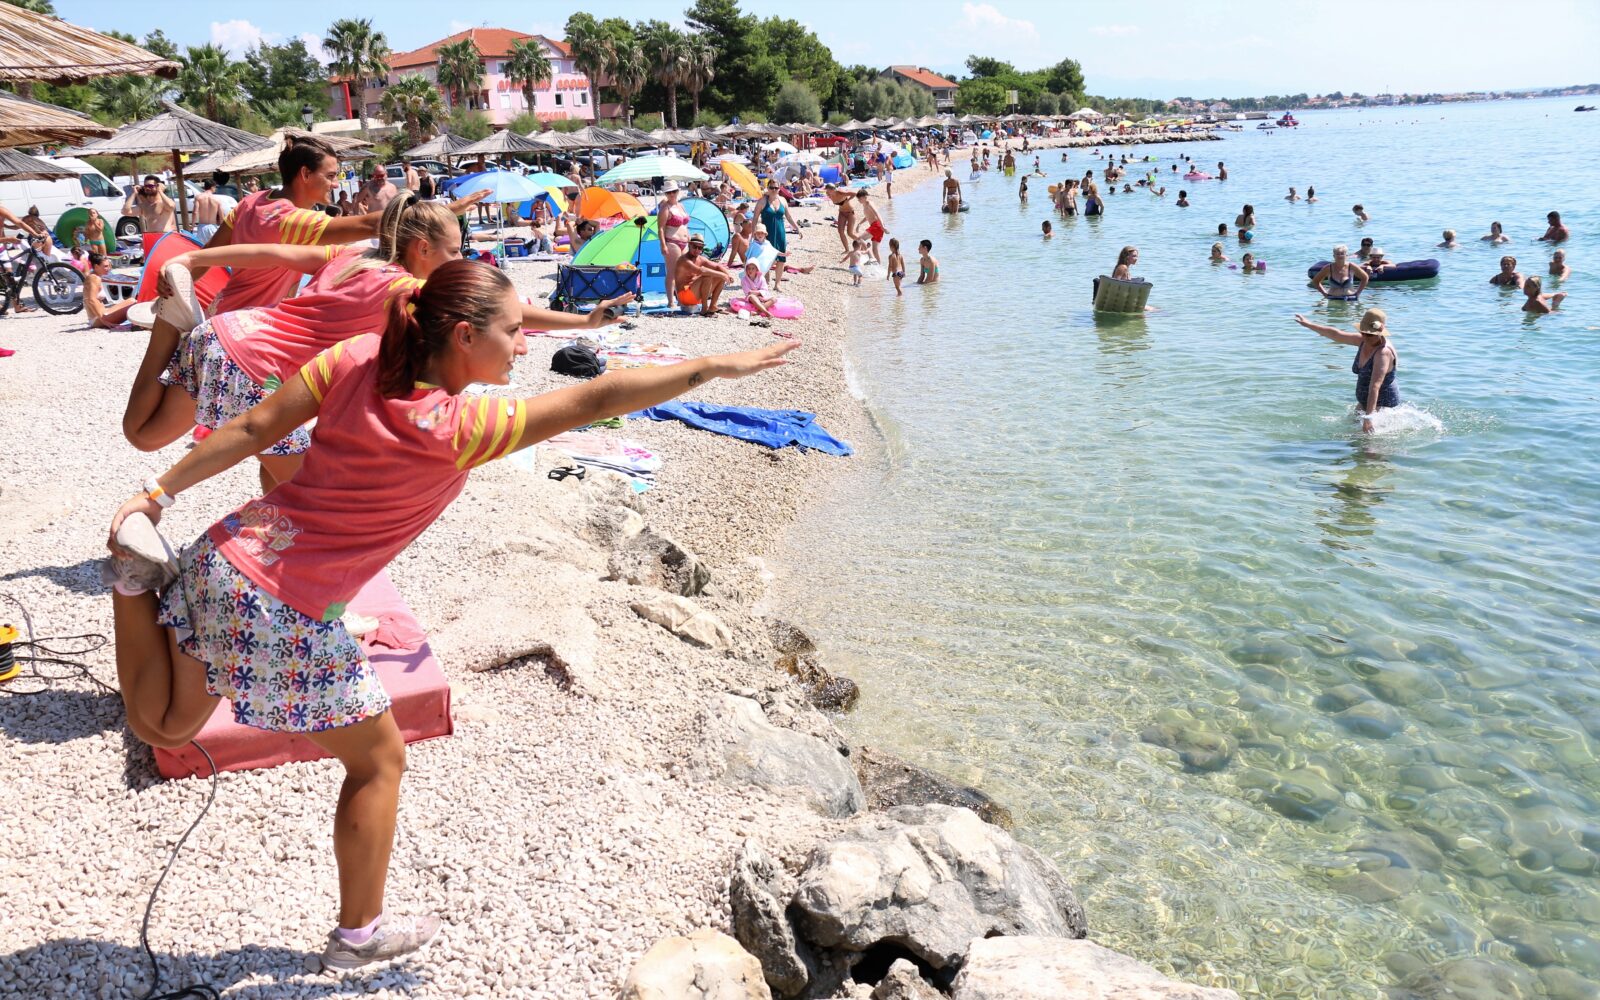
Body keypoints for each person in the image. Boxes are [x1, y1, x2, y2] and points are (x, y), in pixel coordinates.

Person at [99, 259, 794, 977]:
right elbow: (600, 397)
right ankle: (358, 934)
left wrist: (157, 493)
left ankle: (131, 578)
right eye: (515, 331)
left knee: (165, 725)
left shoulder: (355, 357)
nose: (525, 346)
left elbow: (253, 424)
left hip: (227, 552)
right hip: (286, 609)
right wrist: (710, 365)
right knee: (379, 760)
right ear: (463, 336)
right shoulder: (463, 425)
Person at [125, 196, 629, 491]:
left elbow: (273, 252)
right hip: (258, 370)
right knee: (307, 497)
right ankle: (307, 597)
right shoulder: (412, 291)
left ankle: (172, 323)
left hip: (223, 335)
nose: (460, 260)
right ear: (423, 249)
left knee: (143, 436)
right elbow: (508, 316)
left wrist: (193, 260)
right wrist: (583, 323)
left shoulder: (352, 258)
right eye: (454, 251)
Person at [1293, 309, 1399, 433]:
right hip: (1365, 402)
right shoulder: (1363, 340)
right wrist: (1308, 324)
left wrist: (1369, 418)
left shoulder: (1383, 353)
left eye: (1369, 334)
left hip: (1382, 407)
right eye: (1363, 332)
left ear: (1380, 332)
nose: (1365, 336)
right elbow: (1336, 334)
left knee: (1369, 447)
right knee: (1351, 439)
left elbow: (1375, 386)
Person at [673, 234, 734, 316]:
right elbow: (701, 271)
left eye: (700, 248)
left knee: (720, 276)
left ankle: (713, 306)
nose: (697, 250)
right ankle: (704, 309)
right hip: (684, 297)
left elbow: (717, 266)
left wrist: (727, 275)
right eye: (695, 247)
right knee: (708, 276)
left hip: (694, 293)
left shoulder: (700, 259)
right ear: (689, 245)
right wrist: (722, 275)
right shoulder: (684, 260)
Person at [657, 182, 691, 306]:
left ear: (677, 191)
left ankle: (682, 299)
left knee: (684, 272)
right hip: (672, 241)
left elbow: (684, 224)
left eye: (673, 191)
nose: (671, 194)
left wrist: (689, 236)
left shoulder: (681, 206)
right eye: (668, 192)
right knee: (672, 272)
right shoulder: (665, 208)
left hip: (684, 242)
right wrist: (663, 245)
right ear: (666, 193)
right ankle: (671, 301)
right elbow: (660, 228)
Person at [84, 253, 136, 329]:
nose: (108, 268)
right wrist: (103, 321)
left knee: (132, 300)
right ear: (96, 266)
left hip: (102, 315)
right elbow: (91, 300)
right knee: (134, 304)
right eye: (105, 266)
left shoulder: (94, 276)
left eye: (109, 266)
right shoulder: (94, 279)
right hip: (98, 319)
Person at [757, 181, 794, 280]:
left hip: (780, 232)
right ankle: (766, 280)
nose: (774, 190)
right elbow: (755, 219)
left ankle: (777, 284)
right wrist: (753, 233)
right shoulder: (762, 201)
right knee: (767, 257)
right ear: (768, 188)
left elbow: (788, 216)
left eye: (776, 188)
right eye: (771, 188)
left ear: (779, 189)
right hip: (766, 233)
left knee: (781, 259)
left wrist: (797, 228)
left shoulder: (783, 200)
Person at [855, 190, 885, 263]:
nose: (858, 200)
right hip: (877, 226)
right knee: (875, 250)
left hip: (877, 226)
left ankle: (870, 257)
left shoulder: (869, 203)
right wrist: (860, 223)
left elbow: (877, 213)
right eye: (858, 199)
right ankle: (879, 267)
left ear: (865, 197)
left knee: (859, 239)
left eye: (859, 198)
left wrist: (882, 226)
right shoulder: (865, 205)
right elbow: (867, 216)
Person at [824, 184, 856, 253]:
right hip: (841, 213)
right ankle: (847, 250)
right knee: (840, 232)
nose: (827, 192)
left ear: (832, 190)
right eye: (826, 191)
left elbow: (854, 193)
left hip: (850, 212)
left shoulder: (841, 192)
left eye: (828, 191)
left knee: (850, 233)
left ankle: (862, 242)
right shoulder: (829, 194)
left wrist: (848, 200)